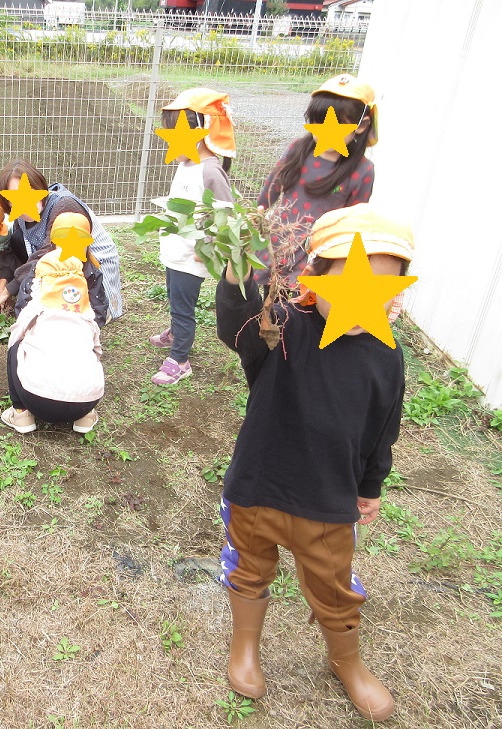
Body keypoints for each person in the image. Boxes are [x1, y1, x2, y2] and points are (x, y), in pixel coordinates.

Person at [215, 203, 412, 722]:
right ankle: (245, 648)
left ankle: (346, 662)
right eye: (346, 280)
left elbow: (381, 430)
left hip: (327, 502)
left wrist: (369, 486)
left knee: (333, 584)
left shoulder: (386, 356)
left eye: (378, 285)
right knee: (251, 568)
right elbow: (235, 323)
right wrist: (238, 258)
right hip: (258, 487)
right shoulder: (281, 326)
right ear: (314, 275)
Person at [254, 73, 377, 289]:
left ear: (362, 124)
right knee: (261, 299)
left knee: (291, 311)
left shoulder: (362, 171)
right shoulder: (297, 150)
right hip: (276, 241)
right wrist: (257, 213)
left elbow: (352, 222)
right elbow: (272, 185)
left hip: (313, 255)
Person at [148, 88, 235, 385]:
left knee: (184, 307)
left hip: (191, 255)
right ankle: (175, 332)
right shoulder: (187, 164)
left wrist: (208, 245)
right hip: (176, 251)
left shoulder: (210, 171)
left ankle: (180, 359)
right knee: (175, 298)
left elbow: (225, 214)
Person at [1, 212, 104, 436]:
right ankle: (86, 417)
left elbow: (21, 315)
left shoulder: (41, 269)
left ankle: (21, 412)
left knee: (15, 346)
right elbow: (99, 314)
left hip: (37, 400)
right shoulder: (91, 272)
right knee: (91, 351)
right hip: (86, 400)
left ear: (52, 239)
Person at [0, 159, 123, 322]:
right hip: (58, 264)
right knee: (16, 239)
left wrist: (10, 289)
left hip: (93, 266)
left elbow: (49, 250)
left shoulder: (64, 206)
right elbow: (12, 252)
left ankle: (93, 308)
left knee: (75, 314)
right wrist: (1, 285)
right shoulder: (20, 216)